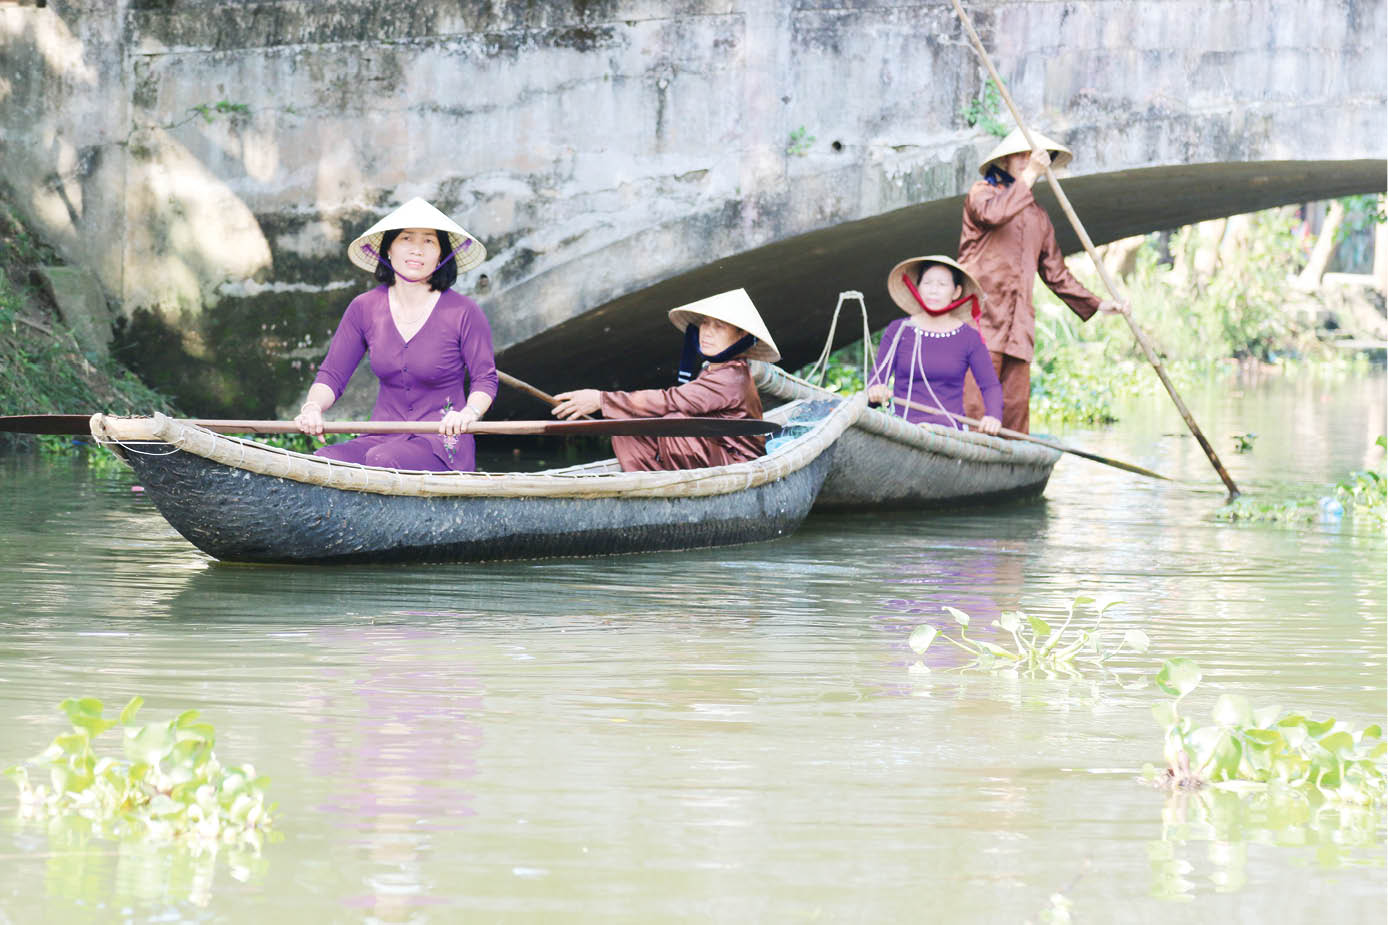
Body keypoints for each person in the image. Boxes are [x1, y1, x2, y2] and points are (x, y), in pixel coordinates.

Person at [294, 197, 498, 472]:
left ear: (441, 254)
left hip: (441, 442)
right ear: (388, 248)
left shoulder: (464, 311)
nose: (417, 250)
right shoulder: (364, 308)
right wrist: (312, 407)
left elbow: (485, 380)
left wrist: (467, 414)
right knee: (324, 461)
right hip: (380, 436)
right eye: (406, 239)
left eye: (429, 241)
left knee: (384, 459)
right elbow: (332, 374)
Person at [958, 127, 1128, 433]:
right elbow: (994, 216)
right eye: (1021, 155)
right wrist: (1031, 173)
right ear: (1004, 160)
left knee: (1013, 420)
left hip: (1018, 332)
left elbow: (1056, 274)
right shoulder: (981, 193)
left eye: (1033, 156)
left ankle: (1009, 475)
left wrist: (1100, 304)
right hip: (979, 322)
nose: (1028, 160)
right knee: (973, 413)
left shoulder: (1038, 217)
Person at [550, 289, 779, 471]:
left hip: (737, 464)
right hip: (713, 453)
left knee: (675, 421)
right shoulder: (715, 368)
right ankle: (648, 484)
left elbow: (673, 401)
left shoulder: (732, 377)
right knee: (626, 428)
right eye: (705, 324)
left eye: (719, 326)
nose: (707, 332)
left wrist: (602, 400)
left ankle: (671, 486)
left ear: (741, 337)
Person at [866, 255, 1003, 435]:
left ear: (956, 292)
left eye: (942, 285)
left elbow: (990, 385)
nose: (933, 290)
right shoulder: (899, 329)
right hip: (901, 429)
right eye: (928, 283)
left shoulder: (970, 338)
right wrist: (876, 391)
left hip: (949, 432)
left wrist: (993, 416)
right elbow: (877, 379)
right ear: (918, 287)